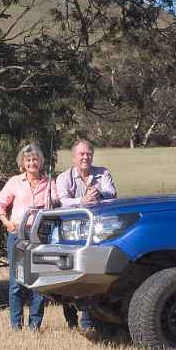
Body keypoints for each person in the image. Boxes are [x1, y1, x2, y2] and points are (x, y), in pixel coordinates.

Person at [55, 139, 117, 330]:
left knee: (91, 275)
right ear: (73, 157)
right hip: (71, 235)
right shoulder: (64, 178)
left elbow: (113, 194)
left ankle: (89, 320)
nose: (85, 157)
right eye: (81, 154)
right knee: (69, 276)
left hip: (97, 233)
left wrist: (99, 194)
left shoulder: (103, 173)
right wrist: (84, 199)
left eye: (89, 153)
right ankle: (71, 320)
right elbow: (63, 201)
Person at [0, 143, 55, 330]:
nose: (32, 163)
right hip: (18, 235)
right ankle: (16, 325)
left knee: (38, 280)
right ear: (22, 163)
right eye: (28, 160)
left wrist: (51, 203)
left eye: (35, 159)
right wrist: (7, 223)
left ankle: (35, 325)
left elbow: (56, 203)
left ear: (40, 161)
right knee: (17, 281)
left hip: (40, 235)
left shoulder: (49, 183)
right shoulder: (14, 182)